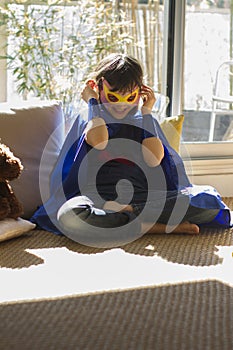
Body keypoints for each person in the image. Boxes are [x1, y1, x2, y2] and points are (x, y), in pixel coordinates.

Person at [31, 53, 232, 247]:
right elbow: (99, 142)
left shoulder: (144, 121)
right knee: (70, 216)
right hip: (96, 200)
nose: (120, 105)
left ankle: (129, 215)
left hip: (143, 197)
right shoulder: (92, 119)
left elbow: (153, 159)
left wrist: (146, 113)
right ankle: (154, 227)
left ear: (140, 92)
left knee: (209, 202)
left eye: (129, 97)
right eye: (112, 96)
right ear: (97, 87)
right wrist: (93, 103)